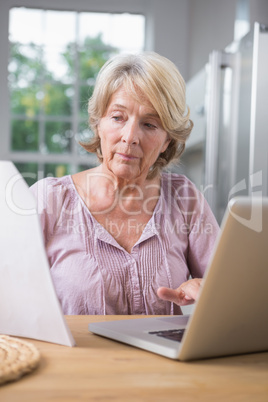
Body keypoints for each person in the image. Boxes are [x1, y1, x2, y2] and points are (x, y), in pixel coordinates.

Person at [30, 52, 219, 315]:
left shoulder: (184, 198)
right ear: (98, 124)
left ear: (167, 141)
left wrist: (207, 288)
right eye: (118, 117)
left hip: (162, 357)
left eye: (150, 124)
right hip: (75, 357)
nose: (130, 137)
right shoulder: (49, 199)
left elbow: (229, 293)